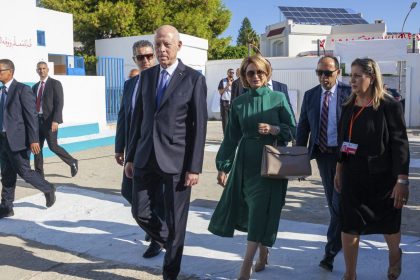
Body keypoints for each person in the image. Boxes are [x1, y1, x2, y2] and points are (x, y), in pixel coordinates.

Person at [124, 25, 207, 280]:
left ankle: (170, 272)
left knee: (176, 220)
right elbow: (137, 119)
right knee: (140, 210)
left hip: (178, 162)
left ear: (178, 46)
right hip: (145, 156)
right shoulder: (145, 77)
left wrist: (194, 167)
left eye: (166, 45)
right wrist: (129, 156)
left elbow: (199, 126)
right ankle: (169, 242)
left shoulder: (193, 79)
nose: (161, 50)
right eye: (158, 44)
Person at [208, 54, 296, 280]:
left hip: (271, 162)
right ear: (244, 77)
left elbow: (293, 129)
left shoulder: (278, 98)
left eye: (260, 72)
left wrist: (275, 130)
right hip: (245, 163)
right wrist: (223, 166)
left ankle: (245, 266)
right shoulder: (238, 103)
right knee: (252, 208)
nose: (256, 76)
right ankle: (263, 251)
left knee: (259, 210)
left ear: (267, 74)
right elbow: (230, 137)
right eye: (250, 73)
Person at [335, 58, 409, 280]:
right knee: (349, 224)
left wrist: (402, 181)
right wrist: (339, 169)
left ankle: (395, 256)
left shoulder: (389, 105)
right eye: (351, 75)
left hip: (383, 178)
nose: (352, 80)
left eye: (358, 76)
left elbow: (400, 144)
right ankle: (350, 274)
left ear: (372, 77)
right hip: (352, 175)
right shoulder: (348, 105)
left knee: (389, 224)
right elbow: (343, 140)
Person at [296, 55, 351, 272]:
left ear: (338, 72)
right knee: (335, 204)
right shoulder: (310, 96)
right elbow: (303, 127)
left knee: (338, 205)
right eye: (319, 72)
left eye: (327, 72)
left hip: (346, 158)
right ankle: (346, 236)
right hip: (324, 157)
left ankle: (330, 253)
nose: (323, 77)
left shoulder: (349, 93)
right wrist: (300, 160)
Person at [115, 40, 164, 258]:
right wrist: (120, 147)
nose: (145, 60)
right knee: (128, 191)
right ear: (134, 59)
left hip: (156, 151)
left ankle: (157, 238)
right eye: (140, 57)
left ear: (154, 56)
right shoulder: (130, 84)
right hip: (134, 150)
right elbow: (123, 116)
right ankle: (155, 227)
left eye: (148, 56)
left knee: (155, 195)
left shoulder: (162, 82)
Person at [0, 59, 56, 219]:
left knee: (24, 171)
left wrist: (34, 140)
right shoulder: (0, 91)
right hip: (3, 140)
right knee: (6, 174)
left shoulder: (22, 90)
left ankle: (48, 188)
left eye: (0, 71)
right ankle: (6, 206)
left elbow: (31, 116)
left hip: (18, 140)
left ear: (10, 71)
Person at [32, 62, 78, 178]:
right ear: (37, 71)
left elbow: (59, 103)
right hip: (37, 121)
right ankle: (39, 173)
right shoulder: (35, 87)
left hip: (49, 121)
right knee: (37, 147)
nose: (41, 71)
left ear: (47, 70)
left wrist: (56, 120)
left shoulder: (55, 84)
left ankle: (72, 161)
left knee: (53, 146)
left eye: (43, 68)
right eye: (39, 69)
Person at [218, 68, 234, 134]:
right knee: (225, 121)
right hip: (224, 103)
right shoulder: (223, 81)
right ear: (227, 73)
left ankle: (231, 136)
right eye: (230, 72)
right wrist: (227, 86)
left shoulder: (235, 82)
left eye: (233, 72)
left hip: (232, 103)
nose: (231, 73)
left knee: (232, 121)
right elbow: (220, 92)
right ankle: (225, 136)